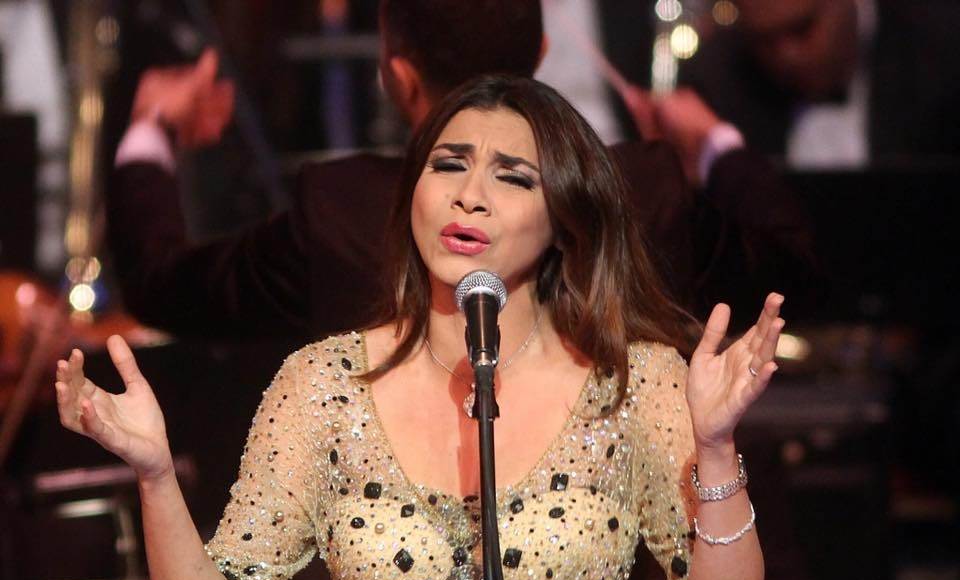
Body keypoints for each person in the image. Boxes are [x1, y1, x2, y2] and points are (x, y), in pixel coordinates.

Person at [58, 75, 781, 580]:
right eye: (449, 165)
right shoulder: (323, 385)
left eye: (512, 177)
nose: (470, 196)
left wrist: (716, 449)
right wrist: (155, 475)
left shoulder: (634, 382)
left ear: (564, 218)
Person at [107, 0, 813, 338]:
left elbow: (161, 284)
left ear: (397, 76)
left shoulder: (339, 212)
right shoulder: (645, 189)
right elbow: (796, 269)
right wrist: (713, 141)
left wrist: (152, 128)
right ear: (541, 56)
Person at [681, 0, 960, 168]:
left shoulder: (940, 51)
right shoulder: (716, 79)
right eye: (764, 39)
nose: (787, 56)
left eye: (801, 29)